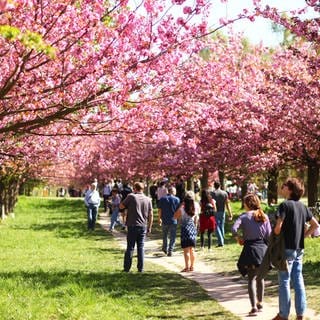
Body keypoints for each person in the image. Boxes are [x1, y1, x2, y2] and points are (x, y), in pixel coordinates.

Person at [272, 178, 319, 320]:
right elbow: (315, 225)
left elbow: (278, 229)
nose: (282, 187)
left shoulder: (284, 206)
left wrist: (274, 233)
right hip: (299, 249)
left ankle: (283, 315)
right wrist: (303, 235)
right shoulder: (302, 207)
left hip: (286, 249)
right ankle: (300, 314)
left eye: (284, 185)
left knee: (284, 281)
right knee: (298, 280)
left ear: (290, 189)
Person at [232, 193, 272, 316]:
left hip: (250, 250)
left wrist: (238, 238)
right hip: (262, 250)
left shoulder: (243, 217)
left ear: (247, 204)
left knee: (251, 279)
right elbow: (269, 235)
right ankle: (260, 302)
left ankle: (253, 306)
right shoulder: (264, 216)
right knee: (261, 278)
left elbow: (234, 229)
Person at [120, 182, 153, 273]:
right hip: (143, 225)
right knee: (141, 247)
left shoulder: (131, 197)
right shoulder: (148, 199)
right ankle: (140, 268)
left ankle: (127, 268)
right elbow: (151, 214)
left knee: (130, 247)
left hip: (132, 225)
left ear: (134, 188)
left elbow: (121, 206)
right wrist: (149, 226)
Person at [174, 192, 198, 272]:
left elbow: (175, 216)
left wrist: (181, 206)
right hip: (193, 228)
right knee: (192, 249)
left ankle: (187, 267)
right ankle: (192, 266)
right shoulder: (196, 206)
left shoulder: (182, 208)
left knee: (186, 250)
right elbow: (197, 217)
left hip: (185, 229)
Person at [158, 186, 180, 256]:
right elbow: (178, 211)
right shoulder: (177, 199)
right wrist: (178, 219)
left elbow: (160, 210)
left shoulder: (162, 199)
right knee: (172, 236)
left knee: (165, 235)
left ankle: (165, 248)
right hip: (173, 220)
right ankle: (170, 250)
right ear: (173, 192)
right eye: (175, 191)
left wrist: (159, 218)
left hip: (165, 219)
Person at [211, 181, 233, 247]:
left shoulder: (213, 193)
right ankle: (222, 241)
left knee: (216, 226)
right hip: (222, 211)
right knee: (221, 226)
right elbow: (227, 204)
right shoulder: (225, 193)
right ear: (220, 185)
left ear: (214, 186)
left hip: (215, 211)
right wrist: (230, 213)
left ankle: (221, 242)